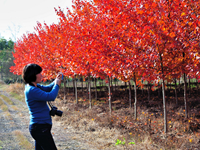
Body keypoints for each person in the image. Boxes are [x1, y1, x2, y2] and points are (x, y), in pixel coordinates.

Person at [22, 63, 62, 150]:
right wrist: (57, 85)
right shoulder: (32, 90)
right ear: (33, 75)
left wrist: (56, 80)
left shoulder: (34, 86)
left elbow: (47, 88)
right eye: (39, 73)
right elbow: (51, 96)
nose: (41, 75)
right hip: (40, 128)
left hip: (40, 127)